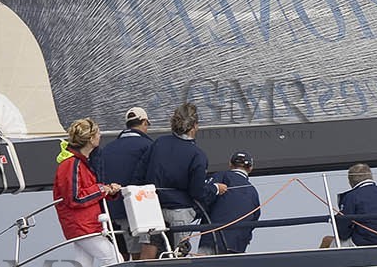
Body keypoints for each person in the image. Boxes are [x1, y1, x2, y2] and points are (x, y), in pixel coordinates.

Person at [135, 103, 225, 259]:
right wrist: (215, 188)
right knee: (178, 255)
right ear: (194, 126)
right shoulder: (197, 155)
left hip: (153, 206)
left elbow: (139, 175)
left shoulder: (158, 143)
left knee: (149, 249)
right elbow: (197, 192)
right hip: (179, 211)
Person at [51, 118, 122, 267]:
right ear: (90, 139)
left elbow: (84, 193)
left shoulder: (78, 163)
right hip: (82, 225)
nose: (100, 136)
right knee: (112, 257)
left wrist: (108, 190)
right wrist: (103, 189)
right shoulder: (71, 164)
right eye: (97, 133)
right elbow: (74, 197)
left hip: (84, 225)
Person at [89, 105, 153, 258]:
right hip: (135, 212)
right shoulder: (149, 146)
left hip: (110, 212)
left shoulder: (107, 148)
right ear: (144, 123)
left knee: (120, 257)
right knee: (138, 257)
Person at [322, 164, 377, 247]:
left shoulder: (352, 196)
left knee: (326, 241)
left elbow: (342, 232)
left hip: (364, 242)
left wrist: (336, 220)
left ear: (350, 181)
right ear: (370, 176)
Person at [197, 153, 261, 255]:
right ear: (250, 168)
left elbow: (202, 197)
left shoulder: (221, 176)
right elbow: (255, 219)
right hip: (238, 246)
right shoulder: (253, 192)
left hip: (212, 241)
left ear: (230, 164)